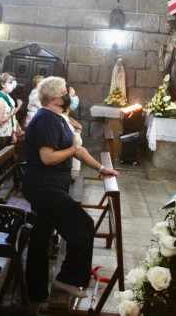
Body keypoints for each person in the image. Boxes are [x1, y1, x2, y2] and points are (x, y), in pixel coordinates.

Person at [23, 76, 117, 302]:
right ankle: (67, 278)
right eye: (65, 92)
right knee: (83, 225)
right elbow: (47, 157)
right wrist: (72, 150)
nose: (69, 96)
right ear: (54, 98)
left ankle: (34, 289)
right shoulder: (45, 119)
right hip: (43, 185)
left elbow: (78, 150)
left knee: (41, 233)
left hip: (52, 184)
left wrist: (102, 168)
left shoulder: (58, 118)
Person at [0, 72, 23, 156]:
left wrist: (13, 132)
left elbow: (11, 117)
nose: (12, 84)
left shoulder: (7, 96)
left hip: (5, 133)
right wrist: (12, 113)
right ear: (2, 84)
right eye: (10, 82)